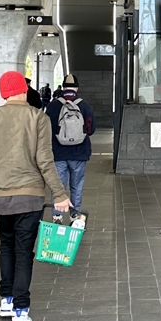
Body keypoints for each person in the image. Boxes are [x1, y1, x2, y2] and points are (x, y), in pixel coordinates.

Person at [0, 70, 70, 321]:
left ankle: (7, 299)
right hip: (30, 196)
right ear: (24, 90)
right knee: (24, 252)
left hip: (2, 197)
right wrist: (59, 193)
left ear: (4, 94)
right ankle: (21, 310)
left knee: (6, 246)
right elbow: (45, 160)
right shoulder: (39, 117)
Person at [47, 77, 95, 217]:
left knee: (58, 187)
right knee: (77, 185)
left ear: (63, 87)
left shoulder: (53, 106)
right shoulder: (84, 106)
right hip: (79, 153)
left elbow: (46, 129)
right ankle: (75, 215)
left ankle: (57, 216)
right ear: (77, 88)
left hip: (58, 154)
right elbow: (91, 130)